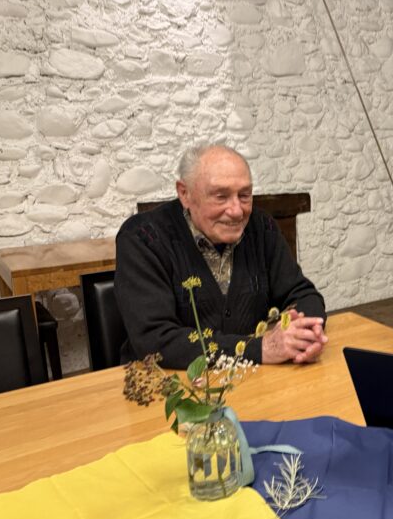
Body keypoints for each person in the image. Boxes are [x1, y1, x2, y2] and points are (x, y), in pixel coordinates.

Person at [115, 144, 328, 369]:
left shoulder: (261, 227)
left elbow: (303, 294)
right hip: (168, 382)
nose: (237, 211)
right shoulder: (142, 238)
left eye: (244, 195)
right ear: (185, 194)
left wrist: (305, 335)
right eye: (220, 196)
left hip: (254, 378)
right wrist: (260, 349)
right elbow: (155, 341)